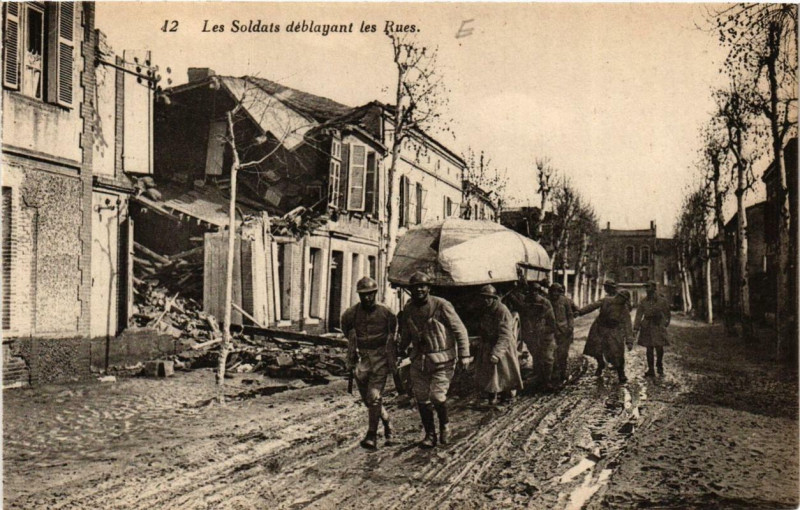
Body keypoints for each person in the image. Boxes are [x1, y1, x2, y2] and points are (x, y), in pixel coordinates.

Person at [398, 271, 472, 448]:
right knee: (422, 398)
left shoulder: (441, 305)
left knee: (437, 397)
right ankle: (430, 434)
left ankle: (445, 425)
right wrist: (399, 349)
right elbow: (406, 334)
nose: (419, 290)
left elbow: (460, 330)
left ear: (428, 288)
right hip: (419, 361)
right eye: (415, 288)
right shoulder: (408, 309)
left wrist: (464, 355)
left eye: (422, 286)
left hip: (442, 360)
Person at [341, 277, 398, 450]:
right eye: (363, 295)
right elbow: (347, 332)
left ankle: (371, 435)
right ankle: (387, 422)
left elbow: (393, 333)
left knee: (374, 396)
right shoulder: (350, 314)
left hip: (381, 357)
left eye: (370, 294)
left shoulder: (386, 313)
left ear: (376, 293)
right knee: (369, 401)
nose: (367, 298)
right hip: (362, 359)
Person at [475, 284, 524, 405]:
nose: (486, 300)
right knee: (490, 372)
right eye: (483, 298)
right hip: (489, 343)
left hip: (503, 346)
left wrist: (497, 353)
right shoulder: (485, 309)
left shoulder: (502, 311)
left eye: (488, 298)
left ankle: (507, 397)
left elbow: (505, 335)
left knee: (505, 372)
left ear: (494, 298)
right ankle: (491, 396)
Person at [578, 280, 634, 383]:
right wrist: (580, 312)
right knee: (596, 348)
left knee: (617, 351)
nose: (621, 301)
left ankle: (621, 373)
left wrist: (629, 340)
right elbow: (593, 305)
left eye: (624, 300)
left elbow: (627, 324)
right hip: (600, 327)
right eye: (620, 298)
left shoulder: (623, 308)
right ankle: (600, 364)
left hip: (614, 329)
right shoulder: (606, 300)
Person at [509, 279, 557, 392]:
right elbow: (519, 307)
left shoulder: (545, 303)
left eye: (536, 290)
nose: (534, 292)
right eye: (532, 290)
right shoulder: (525, 302)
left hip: (545, 335)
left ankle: (547, 382)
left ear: (539, 291)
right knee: (537, 357)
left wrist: (545, 331)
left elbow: (551, 321)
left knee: (547, 358)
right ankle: (539, 381)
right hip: (531, 335)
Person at [634, 281, 671, 376]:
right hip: (647, 326)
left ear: (654, 288)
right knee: (649, 348)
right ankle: (651, 369)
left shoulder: (662, 300)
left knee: (659, 347)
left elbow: (667, 313)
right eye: (646, 287)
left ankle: (659, 365)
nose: (647, 289)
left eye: (648, 287)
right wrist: (636, 328)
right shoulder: (643, 301)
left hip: (658, 325)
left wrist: (665, 324)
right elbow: (638, 315)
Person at [549, 282, 577, 385]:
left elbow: (570, 315)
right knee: (553, 354)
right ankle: (553, 376)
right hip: (552, 331)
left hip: (564, 332)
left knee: (563, 354)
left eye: (557, 292)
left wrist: (570, 327)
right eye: (553, 292)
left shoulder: (565, 301)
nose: (555, 294)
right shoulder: (548, 301)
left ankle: (562, 374)